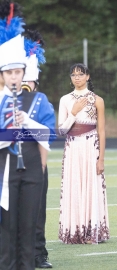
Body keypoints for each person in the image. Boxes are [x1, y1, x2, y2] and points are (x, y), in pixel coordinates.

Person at [0, 6, 55, 270]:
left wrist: (27, 121)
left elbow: (48, 134)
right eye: (8, 73)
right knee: (7, 230)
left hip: (31, 168)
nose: (14, 77)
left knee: (29, 225)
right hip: (5, 170)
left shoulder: (38, 99)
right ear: (2, 75)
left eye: (17, 72)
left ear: (24, 73)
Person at [58, 63, 109, 244]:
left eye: (80, 74)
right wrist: (73, 112)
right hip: (72, 148)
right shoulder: (65, 99)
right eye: (73, 74)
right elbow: (62, 131)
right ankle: (74, 232)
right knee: (74, 186)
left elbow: (101, 131)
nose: (77, 77)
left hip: (91, 147)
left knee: (91, 186)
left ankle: (91, 232)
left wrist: (101, 158)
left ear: (88, 76)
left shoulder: (98, 100)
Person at [23, 29, 52, 268]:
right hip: (8, 162)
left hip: (35, 162)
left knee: (37, 210)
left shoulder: (42, 100)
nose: (25, 83)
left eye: (28, 79)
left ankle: (39, 253)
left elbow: (48, 132)